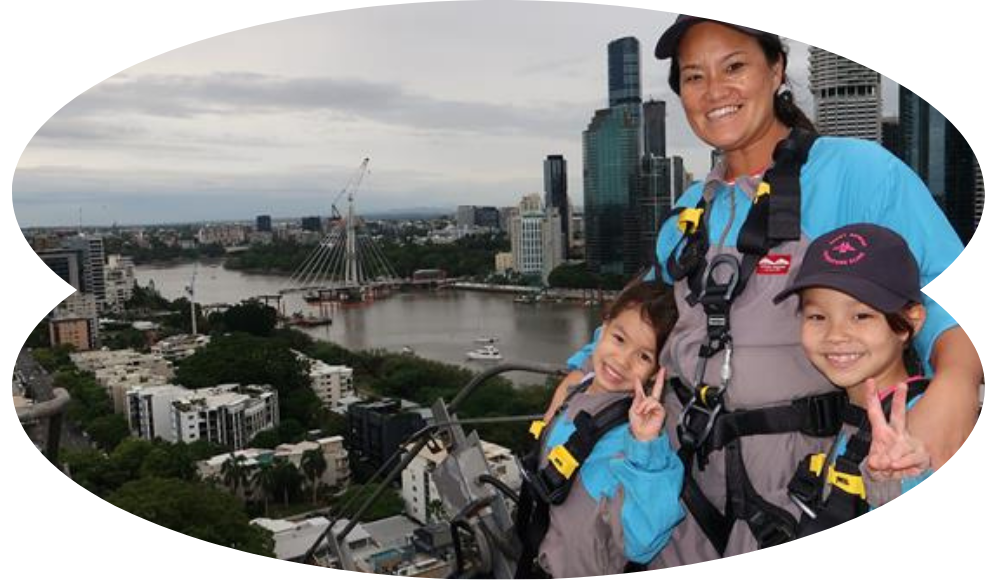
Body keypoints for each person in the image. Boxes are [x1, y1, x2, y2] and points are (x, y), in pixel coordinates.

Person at [549, 15, 981, 566]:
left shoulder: (857, 175)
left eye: (734, 67)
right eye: (693, 77)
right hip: (688, 485)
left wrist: (957, 387)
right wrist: (583, 365)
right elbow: (648, 307)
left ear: (776, 69)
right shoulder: (690, 210)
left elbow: (958, 296)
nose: (714, 92)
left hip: (806, 486)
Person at [517, 278, 684, 578]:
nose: (622, 360)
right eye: (619, 339)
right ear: (603, 328)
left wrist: (645, 446)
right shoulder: (579, 391)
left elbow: (640, 543)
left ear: (656, 373)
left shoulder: (630, 438)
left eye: (643, 356)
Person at [772, 223, 934, 532]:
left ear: (910, 321)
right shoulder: (851, 415)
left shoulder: (921, 419)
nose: (835, 335)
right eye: (817, 317)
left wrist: (902, 481)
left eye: (861, 316)